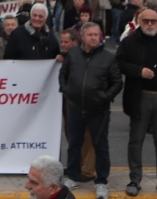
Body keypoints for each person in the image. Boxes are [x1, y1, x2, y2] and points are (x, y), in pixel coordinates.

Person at [116, 8, 157, 199]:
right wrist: (138, 71)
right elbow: (119, 63)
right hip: (140, 97)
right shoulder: (129, 41)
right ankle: (135, 179)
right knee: (136, 140)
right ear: (139, 20)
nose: (150, 24)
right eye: (146, 21)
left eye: (153, 21)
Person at [60, 22, 121, 198]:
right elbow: (63, 74)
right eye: (90, 35)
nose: (94, 38)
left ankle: (101, 181)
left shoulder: (108, 57)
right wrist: (67, 91)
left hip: (98, 111)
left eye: (96, 35)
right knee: (74, 144)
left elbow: (117, 82)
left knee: (100, 146)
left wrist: (104, 97)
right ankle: (73, 177)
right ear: (82, 37)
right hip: (75, 108)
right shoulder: (73, 53)